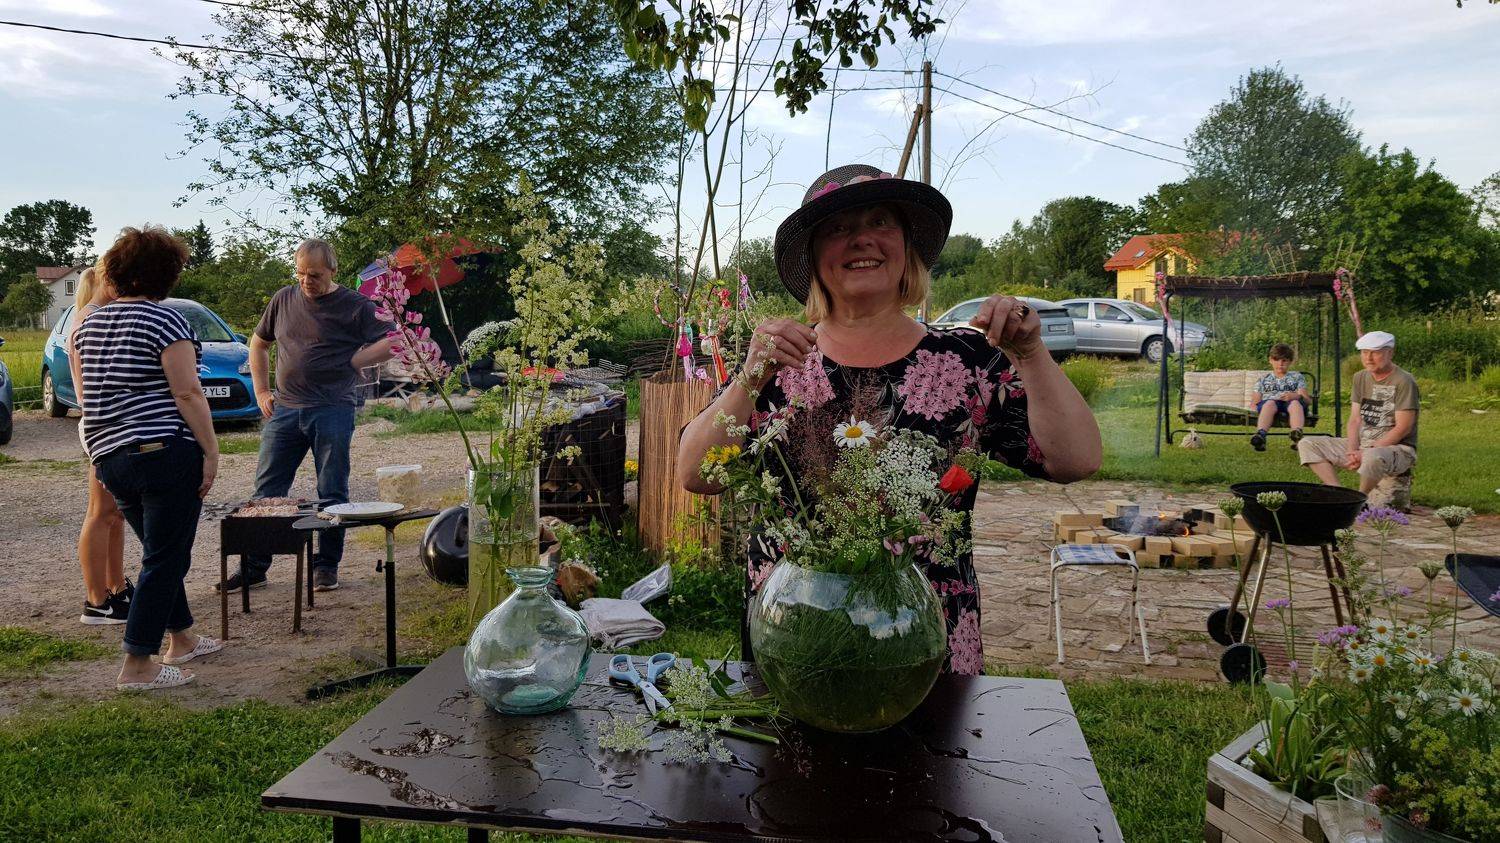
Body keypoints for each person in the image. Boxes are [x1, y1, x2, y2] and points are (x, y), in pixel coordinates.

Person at [677, 164, 1102, 675]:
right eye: (838, 228)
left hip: (924, 637)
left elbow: (1075, 460)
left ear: (906, 247)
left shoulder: (967, 360)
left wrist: (1030, 353)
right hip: (792, 637)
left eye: (880, 222)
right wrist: (749, 377)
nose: (861, 239)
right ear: (814, 258)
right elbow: (694, 474)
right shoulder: (780, 359)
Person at [75, 226, 223, 690]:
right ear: (165, 274)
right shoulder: (165, 321)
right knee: (166, 558)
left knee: (160, 553)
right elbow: (187, 392)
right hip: (162, 453)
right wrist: (211, 450)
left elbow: (87, 396)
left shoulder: (88, 325)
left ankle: (182, 638)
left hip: (110, 457)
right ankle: (138, 663)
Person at [226, 239, 393, 594]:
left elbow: (395, 340)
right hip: (285, 410)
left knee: (332, 490)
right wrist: (261, 391)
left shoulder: (356, 306)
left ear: (333, 270)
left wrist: (358, 360)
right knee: (267, 492)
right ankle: (255, 568)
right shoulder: (283, 299)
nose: (306, 281)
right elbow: (258, 344)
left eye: (314, 275)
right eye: (300, 273)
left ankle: (326, 566)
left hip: (333, 409)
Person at [67, 265, 131, 624]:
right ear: (108, 279)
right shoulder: (89, 319)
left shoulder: (94, 315)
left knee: (115, 514)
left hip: (102, 424)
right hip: (99, 425)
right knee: (101, 512)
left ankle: (116, 587)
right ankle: (96, 600)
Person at [1298, 331, 1418, 510]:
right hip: (1364, 444)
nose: (1368, 358)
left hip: (1398, 449)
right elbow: (1355, 420)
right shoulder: (1360, 377)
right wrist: (1352, 450)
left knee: (1372, 456)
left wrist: (1366, 451)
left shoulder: (1404, 381)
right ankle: (1339, 494)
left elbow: (1403, 428)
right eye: (1364, 352)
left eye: (1375, 352)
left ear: (1390, 353)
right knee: (1308, 444)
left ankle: (1359, 500)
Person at [1248, 343, 1310, 452]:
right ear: (1270, 360)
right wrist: (1255, 408)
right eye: (1276, 360)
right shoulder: (1263, 379)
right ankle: (1261, 435)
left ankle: (1296, 434)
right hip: (1271, 404)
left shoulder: (1297, 377)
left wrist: (1295, 396)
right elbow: (1255, 402)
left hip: (1291, 404)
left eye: (1284, 360)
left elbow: (1307, 400)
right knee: (1269, 403)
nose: (1280, 364)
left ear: (1290, 361)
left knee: (1295, 403)